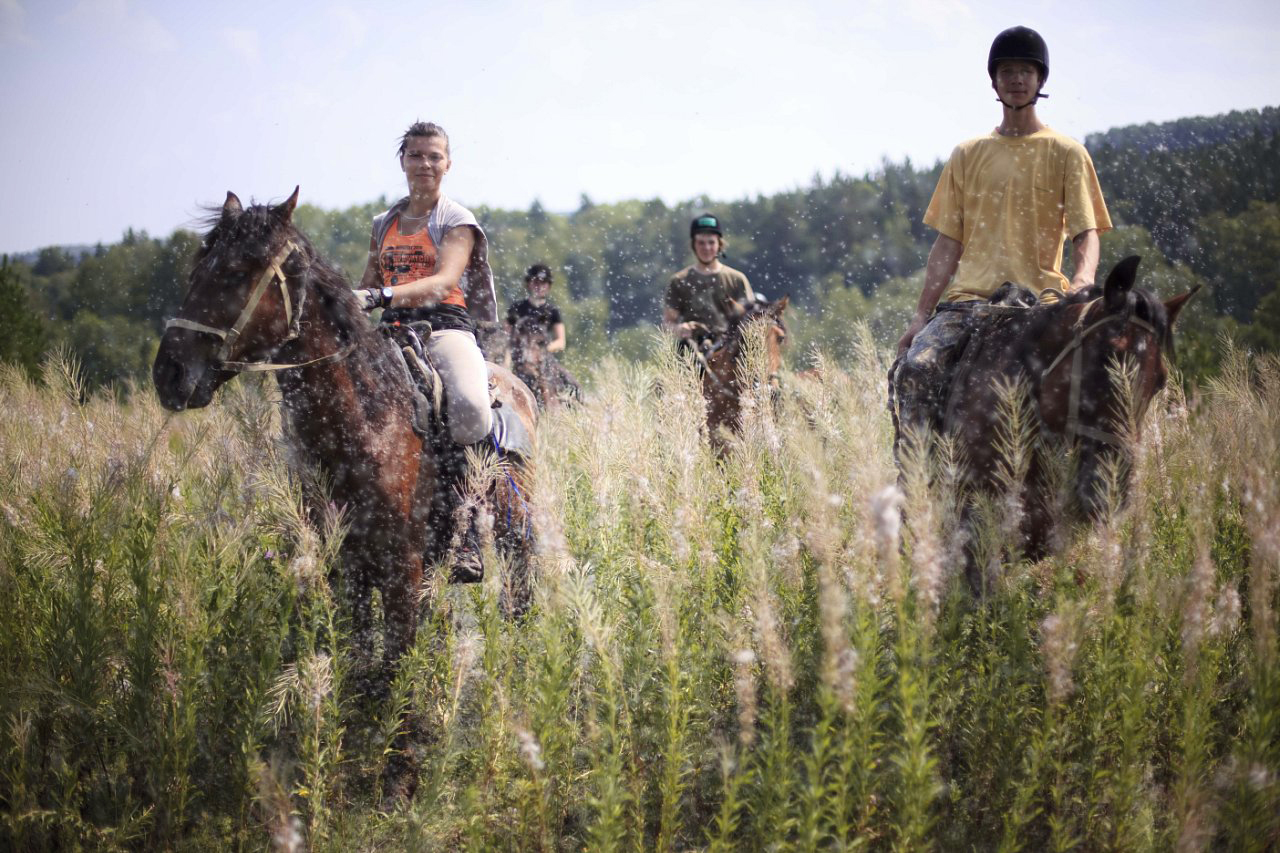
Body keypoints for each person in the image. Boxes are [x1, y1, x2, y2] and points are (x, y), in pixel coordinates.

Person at [893, 25, 1112, 439]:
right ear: (994, 80)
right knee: (917, 371)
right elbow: (947, 243)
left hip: (1043, 300)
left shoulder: (1067, 152)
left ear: (1040, 80)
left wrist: (1083, 281)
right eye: (1007, 71)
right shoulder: (968, 153)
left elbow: (1087, 231)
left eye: (1026, 71)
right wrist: (922, 313)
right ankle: (917, 486)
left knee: (1101, 377)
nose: (1016, 79)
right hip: (969, 303)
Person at [353, 120, 499, 576]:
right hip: (393, 329)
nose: (425, 164)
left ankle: (465, 531)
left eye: (434, 156)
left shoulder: (457, 220)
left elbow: (443, 283)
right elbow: (368, 283)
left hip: (444, 327)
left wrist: (381, 297)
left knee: (473, 405)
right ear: (402, 162)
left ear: (448, 164)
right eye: (416, 155)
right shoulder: (384, 223)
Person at [662, 213, 756, 354]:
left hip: (730, 350)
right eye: (701, 242)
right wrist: (680, 329)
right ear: (693, 245)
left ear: (720, 245)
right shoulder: (679, 281)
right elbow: (667, 324)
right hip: (692, 350)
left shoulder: (737, 279)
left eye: (711, 242)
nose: (706, 247)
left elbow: (752, 321)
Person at [506, 263, 566, 356]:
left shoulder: (553, 311)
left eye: (543, 283)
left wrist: (542, 350)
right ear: (529, 284)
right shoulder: (516, 308)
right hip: (517, 356)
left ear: (549, 286)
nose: (539, 286)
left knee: (566, 372)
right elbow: (506, 334)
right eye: (536, 282)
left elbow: (561, 342)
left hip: (543, 358)